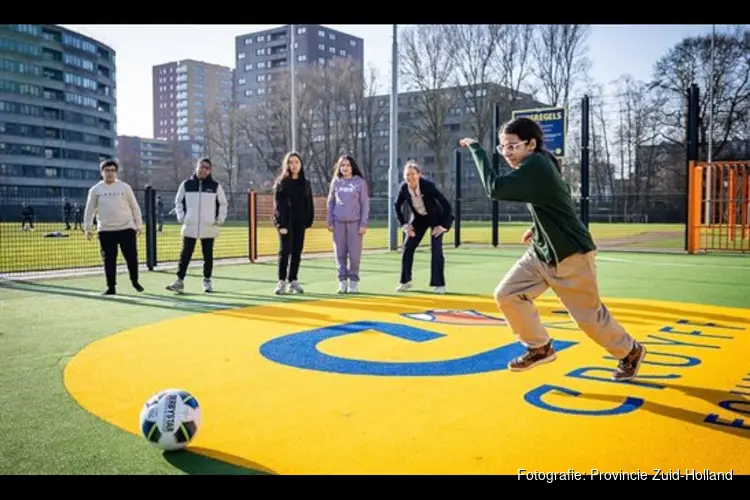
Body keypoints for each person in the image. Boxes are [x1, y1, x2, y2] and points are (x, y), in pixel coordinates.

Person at [459, 117, 646, 381]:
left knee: (589, 319)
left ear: (531, 144)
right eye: (503, 148)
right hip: (542, 251)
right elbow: (557, 197)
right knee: (507, 294)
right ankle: (539, 347)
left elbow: (495, 188)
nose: (507, 153)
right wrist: (538, 227)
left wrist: (478, 150)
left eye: (512, 146)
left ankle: (630, 352)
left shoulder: (536, 164)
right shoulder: (539, 163)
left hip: (571, 254)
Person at [166, 157, 228, 294]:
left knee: (208, 255)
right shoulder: (186, 184)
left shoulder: (215, 186)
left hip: (209, 226)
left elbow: (223, 203)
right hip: (190, 225)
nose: (203, 170)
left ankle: (207, 281)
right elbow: (178, 201)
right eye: (202, 166)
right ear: (196, 167)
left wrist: (219, 219)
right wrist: (181, 217)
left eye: (207, 168)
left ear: (210, 170)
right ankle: (179, 281)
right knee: (185, 254)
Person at [83, 159, 144, 295]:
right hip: (105, 230)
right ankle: (111, 287)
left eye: (112, 170)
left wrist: (139, 225)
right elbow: (89, 210)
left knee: (131, 257)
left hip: (126, 228)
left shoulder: (124, 187)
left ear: (116, 172)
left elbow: (135, 207)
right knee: (109, 260)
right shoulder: (95, 190)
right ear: (101, 172)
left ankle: (135, 281)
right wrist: (87, 228)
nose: (109, 173)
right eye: (106, 170)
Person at [393, 160, 453, 294]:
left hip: (436, 219)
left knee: (436, 249)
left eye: (413, 174)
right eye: (407, 175)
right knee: (408, 246)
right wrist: (404, 225)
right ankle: (405, 281)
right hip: (419, 219)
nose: (410, 177)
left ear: (419, 175)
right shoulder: (404, 188)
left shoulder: (428, 186)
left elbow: (446, 205)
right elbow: (397, 206)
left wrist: (443, 226)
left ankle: (439, 284)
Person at [327, 154, 370, 293]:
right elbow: (331, 201)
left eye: (348, 165)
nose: (345, 168)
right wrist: (330, 221)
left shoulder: (359, 183)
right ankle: (342, 281)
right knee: (339, 254)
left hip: (355, 224)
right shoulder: (336, 182)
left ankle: (353, 281)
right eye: (342, 165)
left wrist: (363, 223)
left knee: (354, 255)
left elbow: (365, 204)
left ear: (352, 167)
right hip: (338, 222)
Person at [273, 151, 314, 294]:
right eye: (291, 162)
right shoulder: (281, 183)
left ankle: (293, 281)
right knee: (285, 251)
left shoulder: (305, 183)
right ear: (287, 165)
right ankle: (281, 282)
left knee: (297, 251)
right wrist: (280, 224)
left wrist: (308, 220)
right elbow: (278, 206)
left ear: (301, 164)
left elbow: (309, 203)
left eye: (296, 162)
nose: (294, 165)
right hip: (286, 223)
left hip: (300, 222)